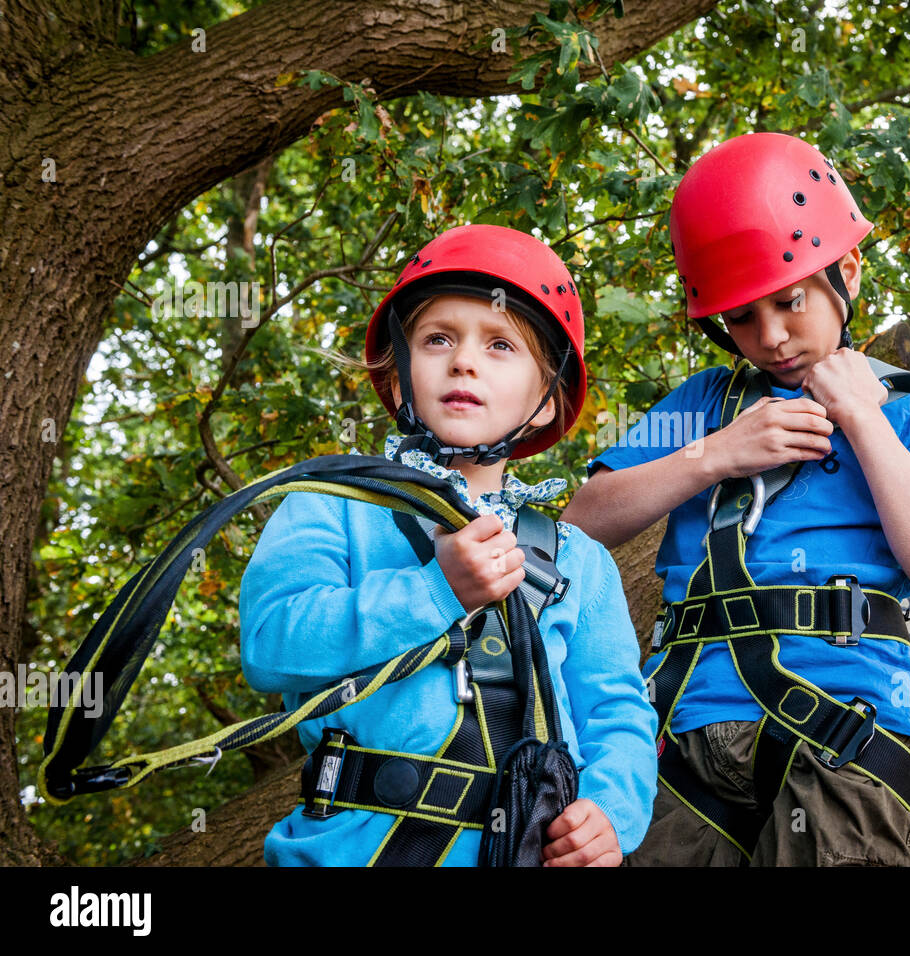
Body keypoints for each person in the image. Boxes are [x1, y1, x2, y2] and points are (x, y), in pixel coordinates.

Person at [562, 132, 910, 866]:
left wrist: (860, 414)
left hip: (851, 733)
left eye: (789, 303)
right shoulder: (702, 404)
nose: (771, 337)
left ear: (846, 271)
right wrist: (715, 454)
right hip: (685, 740)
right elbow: (579, 522)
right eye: (741, 320)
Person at [240, 223, 657, 867]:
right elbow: (272, 644)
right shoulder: (333, 504)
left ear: (545, 401)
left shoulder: (579, 562)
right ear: (401, 380)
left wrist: (611, 814)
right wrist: (434, 593)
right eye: (438, 340)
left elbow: (615, 712)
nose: (464, 360)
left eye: (500, 345)